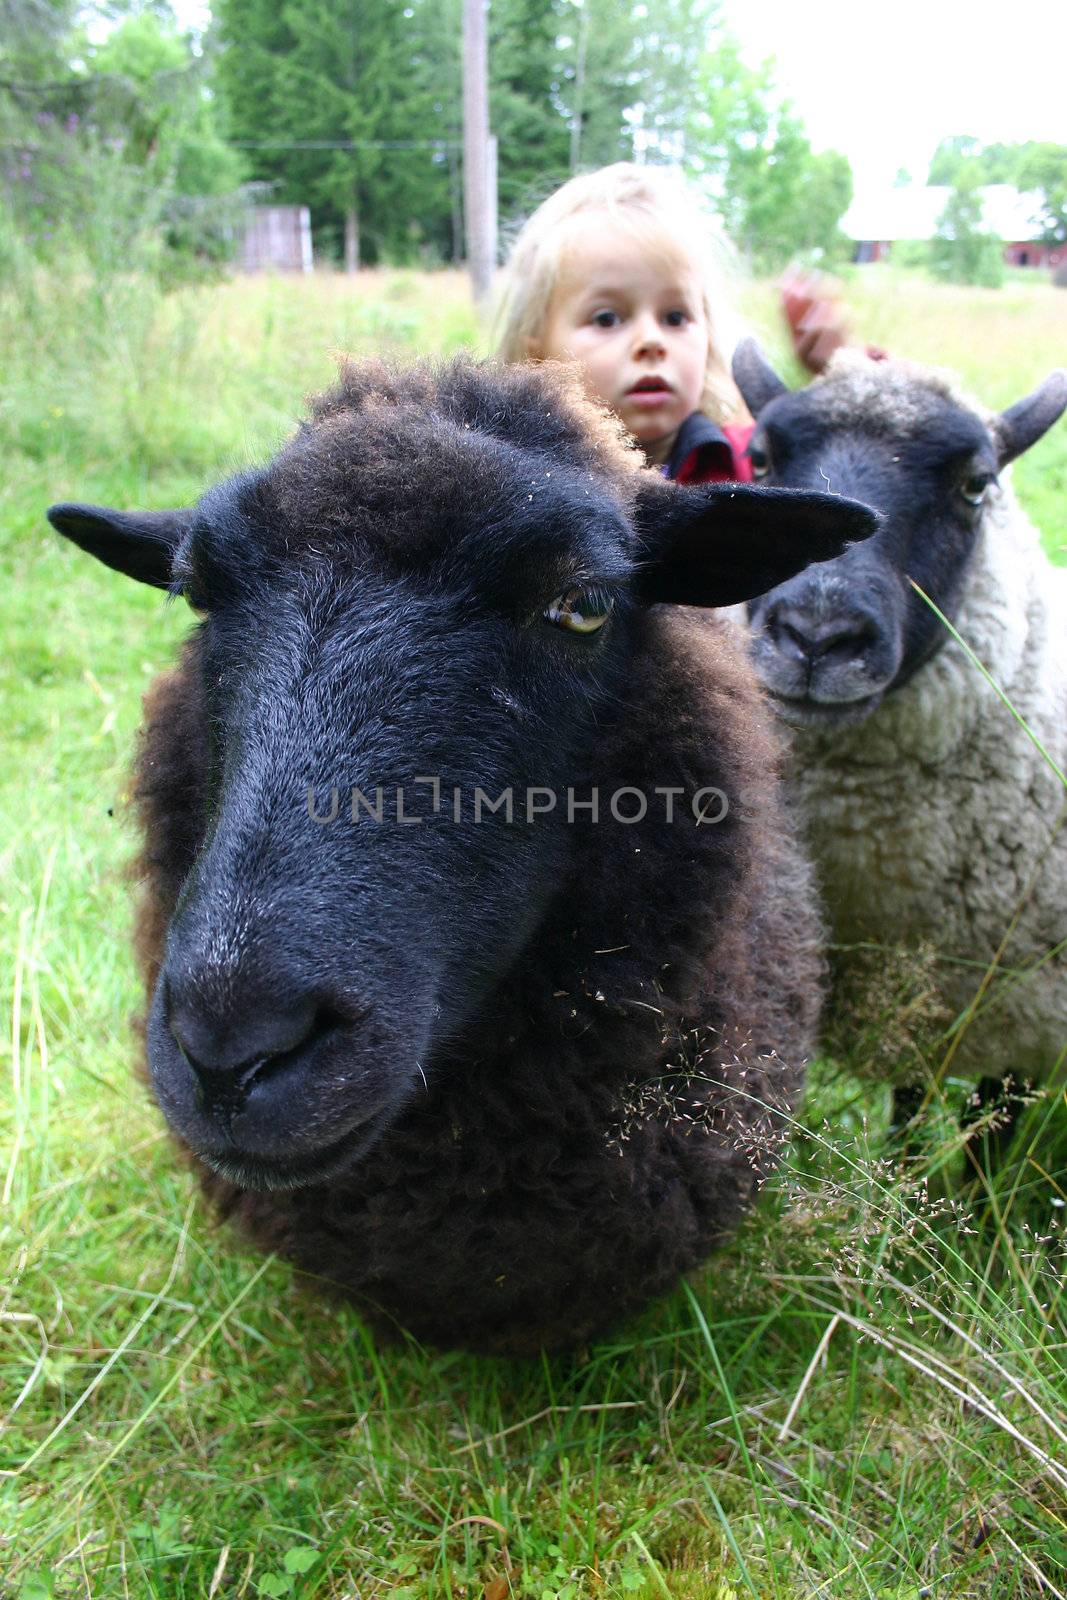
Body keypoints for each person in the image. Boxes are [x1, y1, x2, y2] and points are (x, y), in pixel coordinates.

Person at [495, 163, 755, 486]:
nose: (650, 340)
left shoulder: (752, 465)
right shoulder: (514, 483)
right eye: (607, 319)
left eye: (675, 317)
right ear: (537, 359)